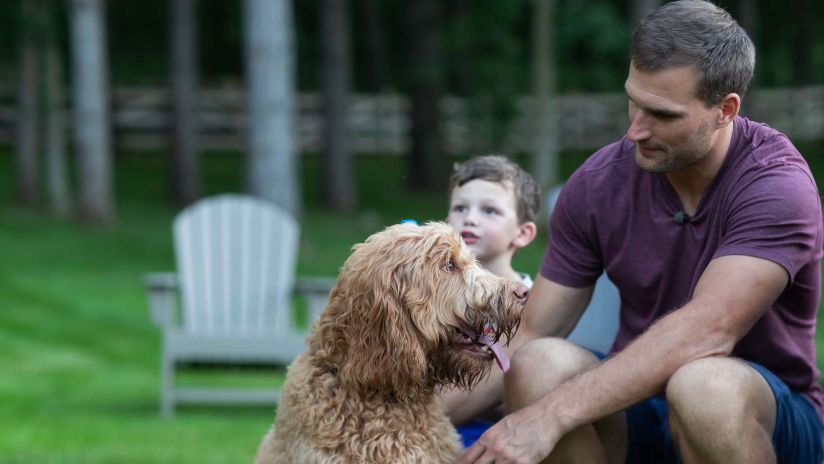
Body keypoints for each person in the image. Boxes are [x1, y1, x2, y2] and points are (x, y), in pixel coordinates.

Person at [456, 1, 824, 463]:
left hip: (766, 418)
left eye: (662, 114)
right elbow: (529, 334)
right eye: (633, 99)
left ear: (725, 109)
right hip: (639, 408)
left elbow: (706, 331)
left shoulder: (775, 185)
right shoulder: (598, 183)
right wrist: (408, 422)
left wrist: (549, 417)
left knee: (703, 385)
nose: (635, 130)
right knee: (536, 363)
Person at [444, 155, 542, 447]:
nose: (470, 218)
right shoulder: (438, 296)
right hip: (442, 424)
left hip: (501, 431)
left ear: (523, 233)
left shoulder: (531, 300)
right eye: (460, 208)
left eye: (489, 210)